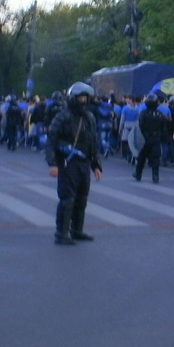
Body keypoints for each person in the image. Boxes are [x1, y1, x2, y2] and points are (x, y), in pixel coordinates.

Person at [46, 82, 102, 245]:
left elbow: (93, 142)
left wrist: (96, 165)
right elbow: (51, 140)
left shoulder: (89, 118)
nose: (83, 101)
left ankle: (77, 230)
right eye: (80, 98)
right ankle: (61, 233)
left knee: (82, 199)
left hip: (84, 163)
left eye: (85, 98)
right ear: (73, 98)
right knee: (67, 199)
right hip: (68, 163)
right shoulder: (63, 116)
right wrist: (53, 164)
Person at [133, 92, 167, 183]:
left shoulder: (143, 113)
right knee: (155, 158)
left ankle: (138, 174)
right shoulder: (160, 114)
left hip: (145, 138)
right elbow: (164, 127)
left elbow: (139, 125)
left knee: (141, 157)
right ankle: (155, 176)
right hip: (156, 138)